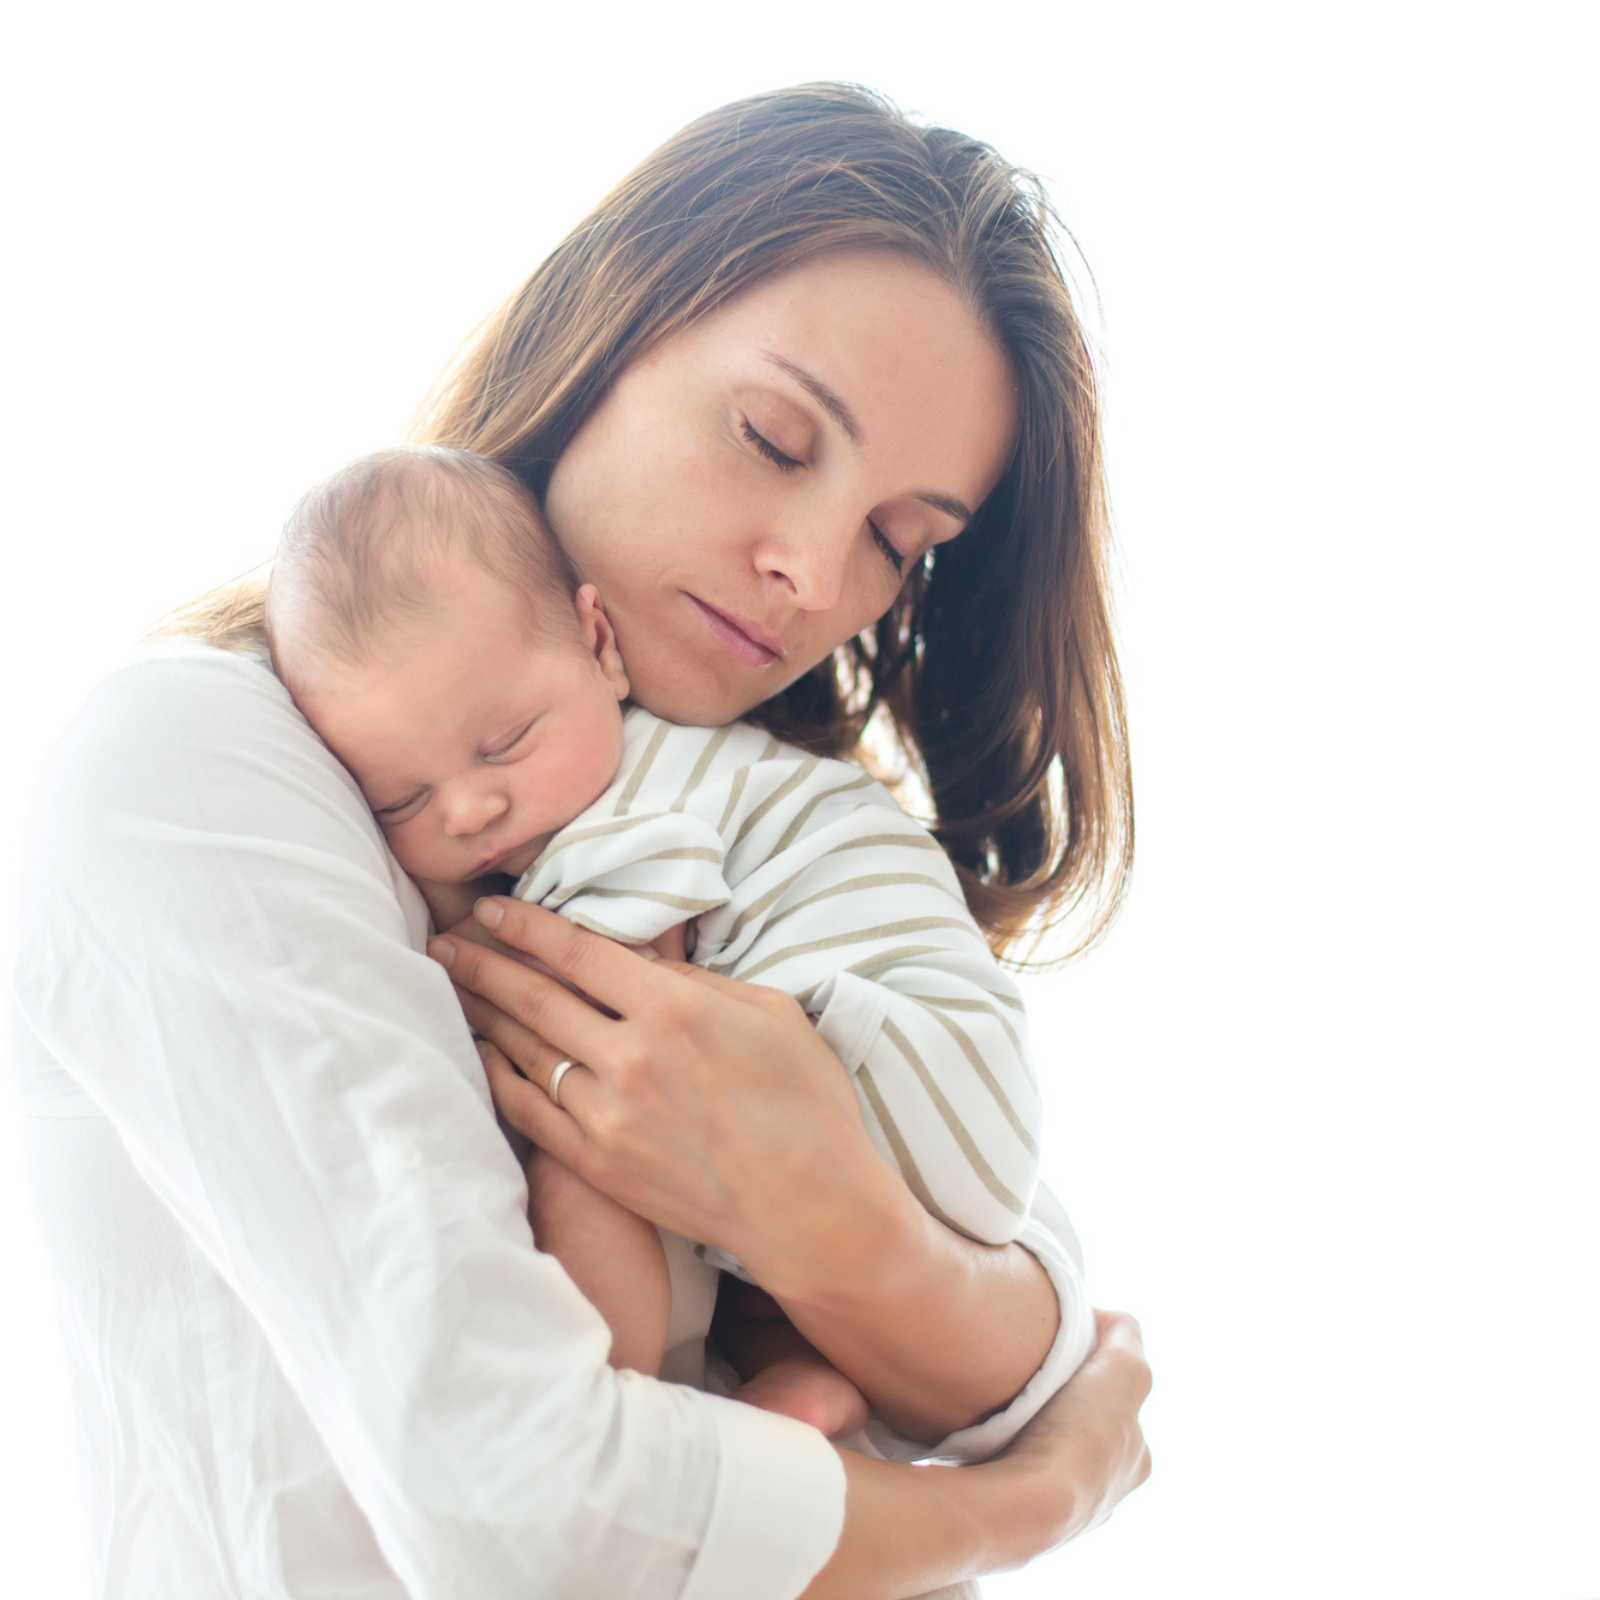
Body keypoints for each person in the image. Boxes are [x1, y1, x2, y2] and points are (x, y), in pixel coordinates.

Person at [10, 83, 1150, 1599]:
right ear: (604, 335)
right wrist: (1031, 1503)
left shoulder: (764, 835)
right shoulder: (197, 764)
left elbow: (1025, 1316)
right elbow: (526, 1516)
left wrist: (827, 1212)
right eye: (769, 436)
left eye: (901, 541)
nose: (812, 572)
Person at [263, 443, 1089, 1436]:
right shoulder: (676, 761)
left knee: (583, 1107)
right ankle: (800, 1376)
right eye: (402, 795)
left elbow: (592, 1068)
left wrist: (594, 1394)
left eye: (507, 739)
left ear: (597, 643)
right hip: (955, 1107)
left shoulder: (629, 814)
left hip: (898, 1061)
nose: (475, 806)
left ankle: (623, 1390)